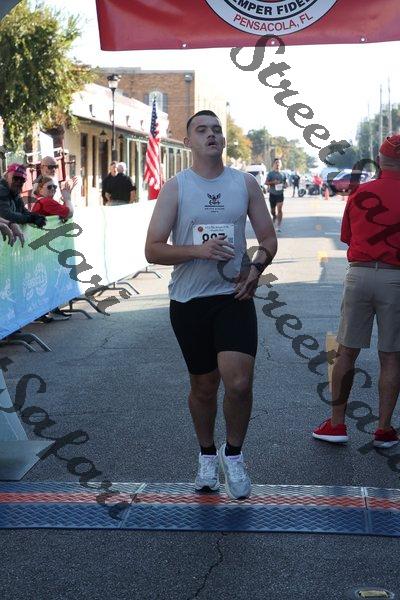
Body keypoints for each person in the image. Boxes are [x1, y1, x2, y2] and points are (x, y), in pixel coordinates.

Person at [145, 110, 277, 500]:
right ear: (188, 142)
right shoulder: (177, 188)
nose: (211, 135)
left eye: (216, 130)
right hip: (190, 300)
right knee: (204, 386)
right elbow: (153, 249)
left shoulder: (245, 183)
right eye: (202, 130)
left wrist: (256, 269)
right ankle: (206, 455)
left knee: (239, 382)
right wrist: (197, 251)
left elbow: (268, 239)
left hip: (233, 296)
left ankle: (233, 455)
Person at [313, 134, 400, 449]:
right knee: (391, 357)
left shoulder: (361, 192)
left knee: (346, 351)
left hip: (360, 274)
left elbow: (348, 236)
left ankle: (337, 424)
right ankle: (384, 430)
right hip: (396, 279)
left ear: (379, 159)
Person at [0, 163, 46, 229]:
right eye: (16, 178)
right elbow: (6, 215)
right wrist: (31, 218)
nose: (19, 182)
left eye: (22, 180)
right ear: (7, 177)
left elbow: (23, 211)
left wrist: (36, 216)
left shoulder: (14, 192)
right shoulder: (2, 190)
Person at [266, 158, 287, 232]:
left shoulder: (283, 174)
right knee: (272, 211)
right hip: (272, 194)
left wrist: (285, 185)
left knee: (280, 210)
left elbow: (285, 183)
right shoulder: (270, 174)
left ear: (281, 165)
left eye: (279, 163)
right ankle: (274, 216)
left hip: (280, 194)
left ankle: (278, 225)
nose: (277, 164)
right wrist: (273, 182)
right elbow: (266, 182)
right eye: (276, 163)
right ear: (273, 164)